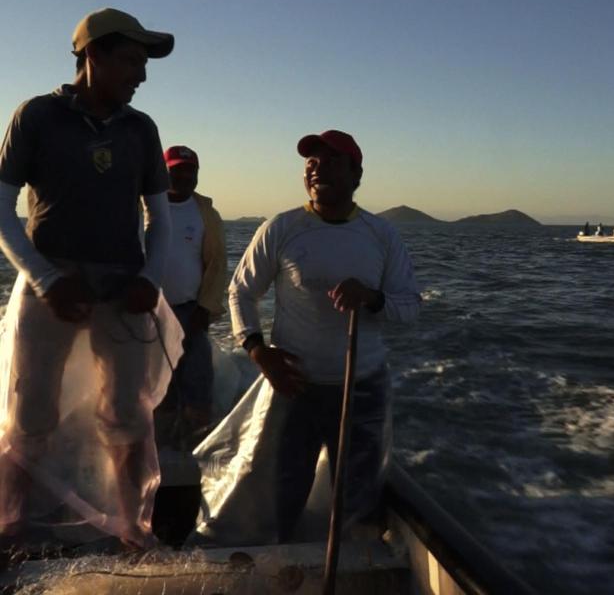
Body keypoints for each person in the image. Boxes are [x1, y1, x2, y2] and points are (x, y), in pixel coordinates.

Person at [0, 8, 178, 550]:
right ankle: (9, 527)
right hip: (48, 282)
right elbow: (2, 210)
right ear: (92, 55)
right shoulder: (36, 116)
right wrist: (47, 280)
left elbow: (160, 218)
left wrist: (150, 278)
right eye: (131, 61)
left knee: (128, 415)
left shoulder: (141, 128)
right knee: (30, 414)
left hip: (124, 286)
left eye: (144, 64)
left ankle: (134, 530)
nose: (141, 75)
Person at [229, 130, 420, 542]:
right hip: (293, 386)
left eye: (332, 161)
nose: (317, 169)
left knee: (360, 500)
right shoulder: (281, 228)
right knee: (282, 494)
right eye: (311, 163)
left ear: (356, 175)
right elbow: (241, 292)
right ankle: (285, 564)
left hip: (361, 388)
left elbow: (409, 307)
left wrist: (371, 297)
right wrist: (257, 350)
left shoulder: (381, 235)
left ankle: (353, 563)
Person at [156, 145, 227, 450]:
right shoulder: (142, 207)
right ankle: (158, 452)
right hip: (149, 314)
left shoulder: (206, 214)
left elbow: (217, 264)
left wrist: (205, 307)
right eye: (176, 170)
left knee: (198, 382)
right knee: (157, 386)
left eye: (190, 170)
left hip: (191, 313)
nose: (183, 176)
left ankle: (196, 452)